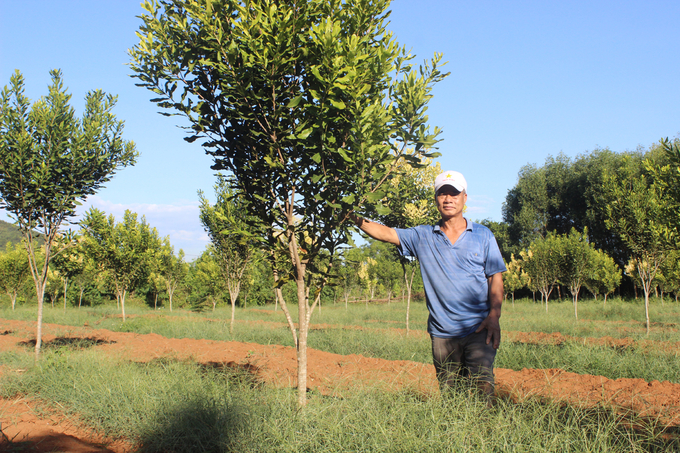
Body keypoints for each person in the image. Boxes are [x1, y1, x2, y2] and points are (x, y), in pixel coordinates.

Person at [353, 170, 506, 403]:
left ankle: (485, 435)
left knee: (483, 389)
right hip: (442, 334)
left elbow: (495, 277)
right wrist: (351, 216)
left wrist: (494, 316)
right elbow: (385, 233)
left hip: (479, 329)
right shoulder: (422, 236)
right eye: (442, 194)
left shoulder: (483, 236)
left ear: (465, 197)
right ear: (435, 199)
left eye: (454, 194)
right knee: (450, 396)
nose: (448, 199)